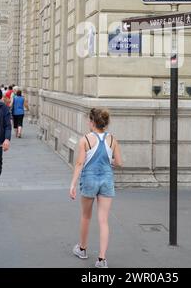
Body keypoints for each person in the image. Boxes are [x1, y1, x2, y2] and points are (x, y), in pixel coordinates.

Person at [70, 108, 122, 268]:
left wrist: (72, 184)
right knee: (104, 220)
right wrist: (109, 161)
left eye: (89, 120)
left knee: (86, 216)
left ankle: (83, 248)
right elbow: (119, 163)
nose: (88, 122)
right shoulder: (112, 139)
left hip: (89, 179)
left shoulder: (85, 140)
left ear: (92, 122)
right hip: (106, 179)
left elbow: (79, 163)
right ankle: (101, 259)